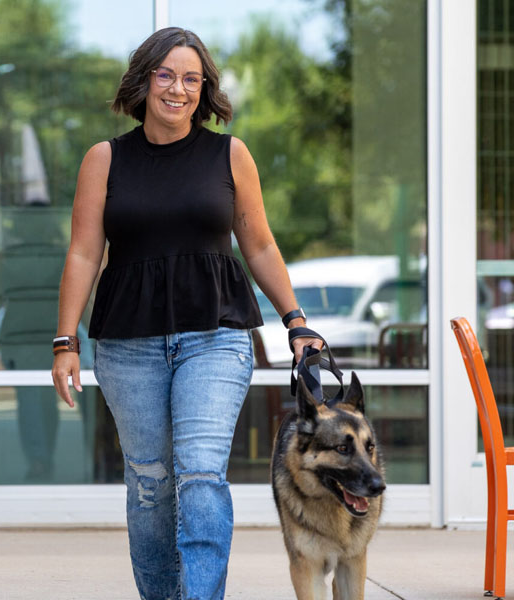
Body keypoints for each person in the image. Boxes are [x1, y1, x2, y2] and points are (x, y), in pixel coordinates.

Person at [50, 27, 322, 600]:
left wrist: (296, 320)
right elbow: (82, 252)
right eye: (167, 75)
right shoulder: (105, 158)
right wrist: (65, 341)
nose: (179, 89)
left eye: (192, 78)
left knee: (200, 476)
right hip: (129, 344)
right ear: (144, 80)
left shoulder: (229, 153)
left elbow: (261, 244)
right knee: (150, 486)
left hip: (214, 336)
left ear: (205, 89)